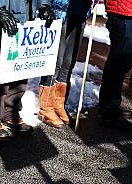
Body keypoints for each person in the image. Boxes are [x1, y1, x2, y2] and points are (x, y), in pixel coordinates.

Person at [0, 0, 54, 141]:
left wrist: (44, 5)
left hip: (25, 13)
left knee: (19, 68)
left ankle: (10, 113)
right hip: (0, 16)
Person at [38, 0, 91, 128]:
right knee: (56, 61)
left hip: (80, 12)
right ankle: (46, 107)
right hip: (60, 11)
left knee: (68, 62)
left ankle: (58, 103)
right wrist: (45, 5)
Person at [97, 0, 132, 131]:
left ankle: (109, 107)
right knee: (118, 64)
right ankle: (109, 111)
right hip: (123, 12)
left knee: (123, 61)